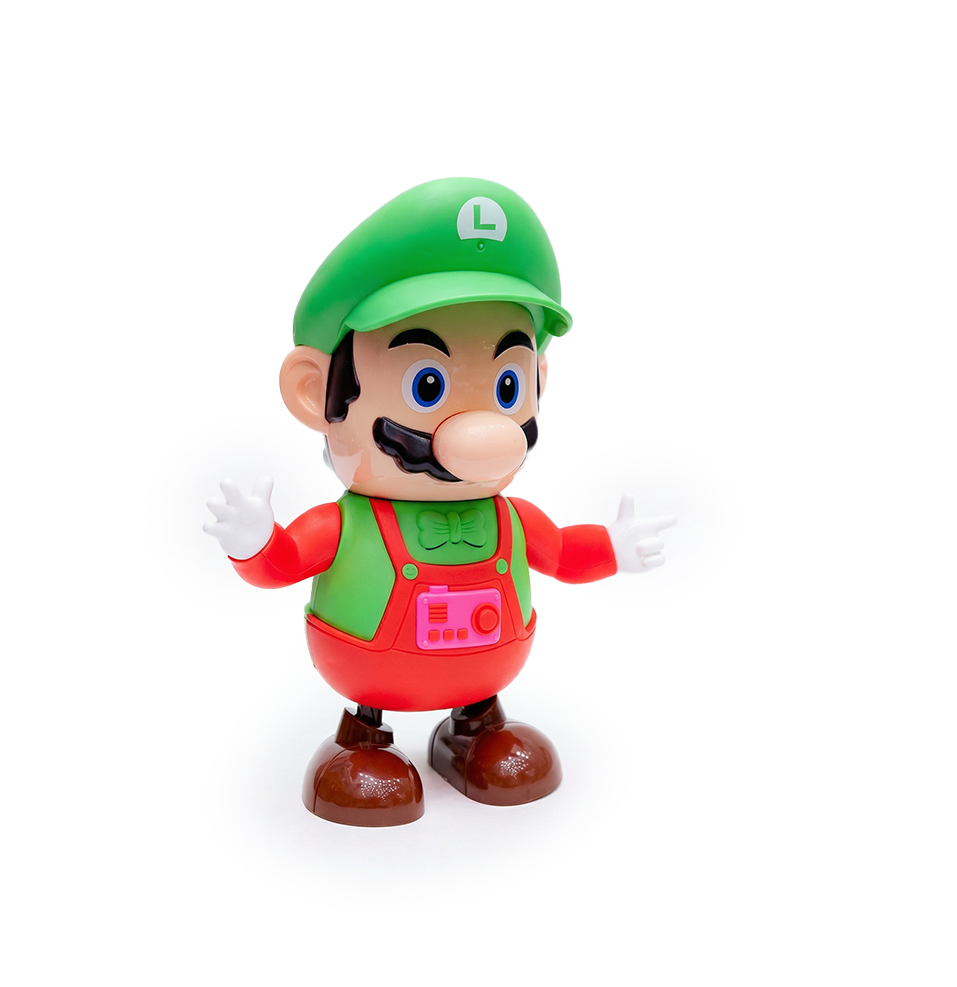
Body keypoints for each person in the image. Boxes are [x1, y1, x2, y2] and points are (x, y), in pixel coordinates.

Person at [204, 177, 674, 826]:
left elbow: (564, 552)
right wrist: (255, 542)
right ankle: (362, 740)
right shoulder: (347, 524)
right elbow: (283, 563)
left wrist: (614, 548)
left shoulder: (510, 519)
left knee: (509, 757)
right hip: (367, 670)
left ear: (539, 381)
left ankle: (475, 731)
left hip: (487, 672)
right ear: (317, 392)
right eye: (428, 385)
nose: (486, 428)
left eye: (507, 386)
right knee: (365, 777)